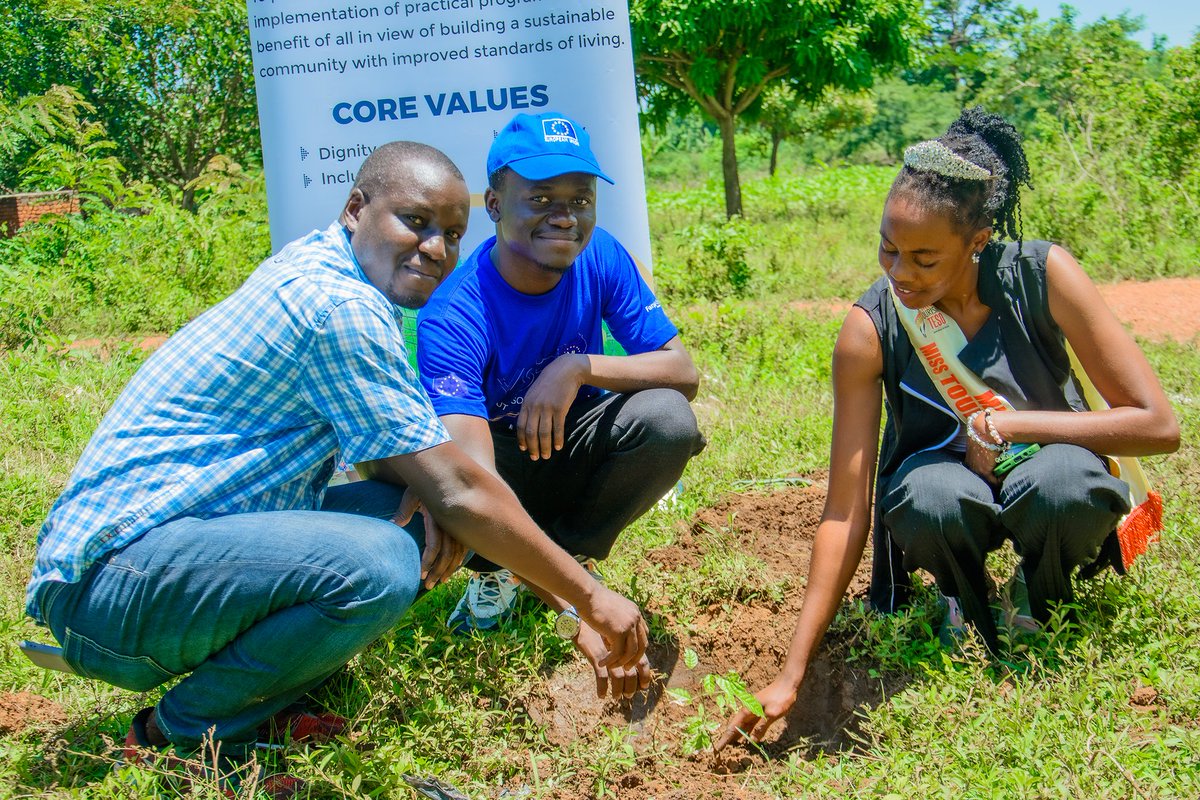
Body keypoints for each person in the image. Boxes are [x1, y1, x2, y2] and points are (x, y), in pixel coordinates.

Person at [25, 141, 649, 796]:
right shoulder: (338, 308)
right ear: (357, 208)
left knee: (408, 518)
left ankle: (267, 694)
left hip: (160, 562)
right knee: (380, 561)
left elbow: (411, 468)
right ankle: (177, 734)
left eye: (453, 234)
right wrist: (587, 598)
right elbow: (463, 485)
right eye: (416, 221)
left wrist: (453, 512)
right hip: (110, 587)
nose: (435, 248)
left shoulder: (332, 276)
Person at [716, 108, 1179, 750]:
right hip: (943, 489)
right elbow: (845, 512)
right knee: (930, 498)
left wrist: (1010, 423)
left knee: (1066, 482)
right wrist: (792, 672)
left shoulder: (1042, 277)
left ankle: (1037, 595)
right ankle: (960, 599)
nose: (900, 273)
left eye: (925, 258)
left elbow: (1158, 424)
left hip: (1048, 472)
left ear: (979, 239)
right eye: (888, 248)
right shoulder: (870, 327)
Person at [413, 111, 705, 697]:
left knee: (668, 421)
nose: (565, 215)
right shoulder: (452, 313)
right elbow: (468, 489)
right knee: (453, 484)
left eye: (580, 197)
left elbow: (682, 372)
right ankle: (501, 573)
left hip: (577, 444)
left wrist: (576, 367)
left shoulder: (601, 257)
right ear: (494, 206)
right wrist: (579, 611)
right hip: (499, 469)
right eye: (541, 197)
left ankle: (566, 557)